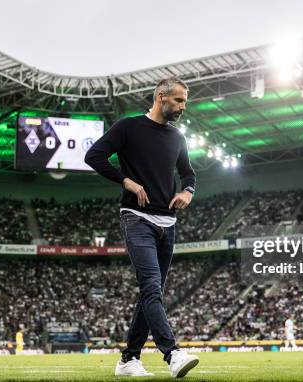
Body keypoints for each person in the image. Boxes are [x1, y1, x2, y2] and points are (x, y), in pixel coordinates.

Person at [85, 78, 199, 378]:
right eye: (178, 101)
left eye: (184, 101)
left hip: (168, 223)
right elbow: (93, 156)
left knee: (152, 293)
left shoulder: (177, 138)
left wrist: (187, 192)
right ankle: (172, 353)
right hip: (136, 218)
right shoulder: (128, 127)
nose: (183, 107)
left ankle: (128, 360)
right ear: (161, 97)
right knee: (151, 288)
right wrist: (125, 180)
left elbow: (188, 174)